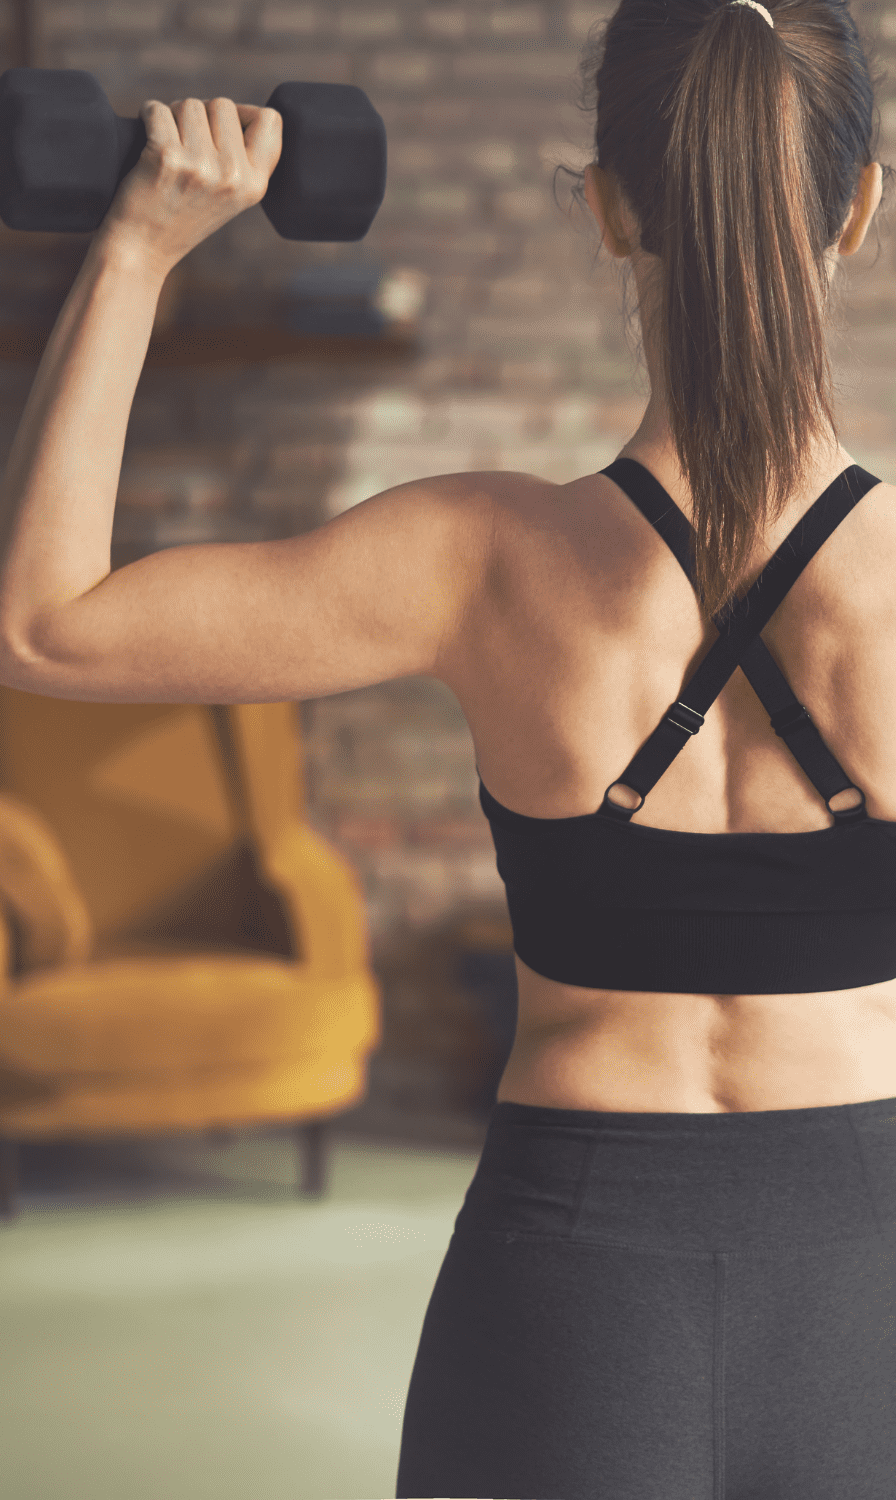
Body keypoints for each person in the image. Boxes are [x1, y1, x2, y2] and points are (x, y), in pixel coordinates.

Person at [393, 2, 896, 1497]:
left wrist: (140, 252)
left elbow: (36, 628)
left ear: (612, 210)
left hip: (572, 1282)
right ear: (861, 207)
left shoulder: (483, 556)